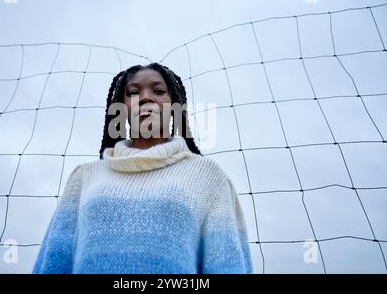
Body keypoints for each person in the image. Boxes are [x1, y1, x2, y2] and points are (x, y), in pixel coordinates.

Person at [32, 63, 253, 274]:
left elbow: (228, 264)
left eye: (158, 90)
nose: (146, 97)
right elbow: (54, 261)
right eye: (133, 93)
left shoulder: (208, 178)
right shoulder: (84, 177)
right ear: (121, 106)